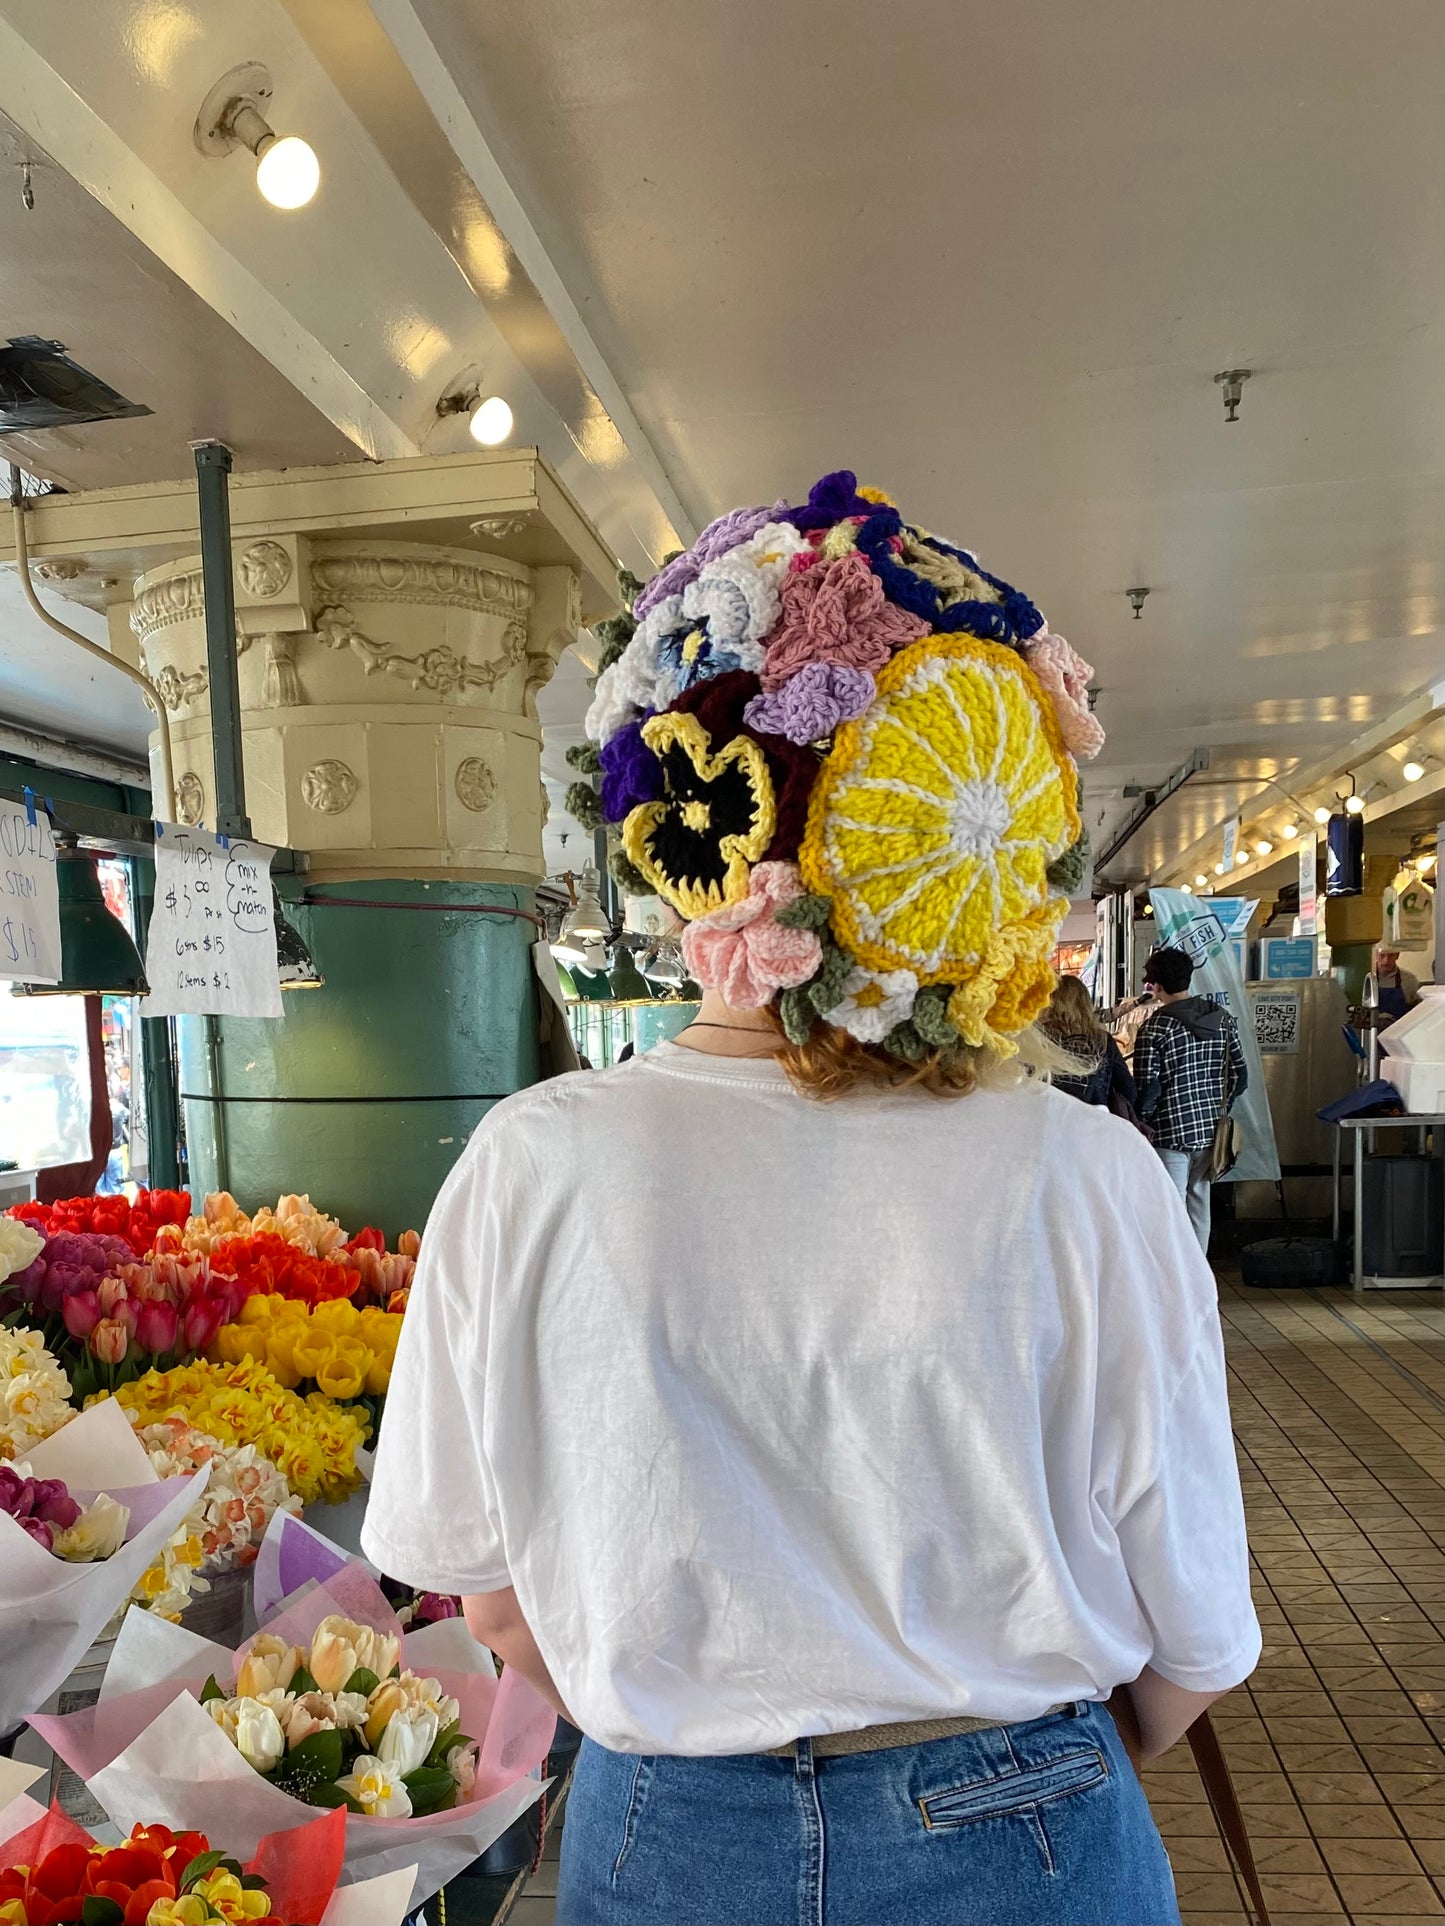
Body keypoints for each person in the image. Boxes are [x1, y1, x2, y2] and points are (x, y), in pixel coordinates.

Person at [365, 473, 1259, 1926]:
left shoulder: (528, 1163)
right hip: (1022, 1825)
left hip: (662, 1834)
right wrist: (1036, 1758)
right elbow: (1198, 1640)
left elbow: (486, 1598)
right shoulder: (1087, 1176)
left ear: (681, 840)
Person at [1132, 947, 1248, 1254]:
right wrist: (1218, 1107)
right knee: (1200, 1200)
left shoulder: (1155, 1027)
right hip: (1211, 1130)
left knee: (1170, 1206)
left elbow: (1147, 1087)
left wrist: (1143, 1118)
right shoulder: (1221, 1019)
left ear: (1156, 985)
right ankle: (1199, 1277)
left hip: (1169, 1132)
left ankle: (1175, 1280)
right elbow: (1240, 1075)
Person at [1040, 974, 1138, 1112]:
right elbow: (1129, 1091)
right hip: (1093, 1123)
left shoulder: (1038, 1041)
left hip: (1047, 1120)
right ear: (1085, 1003)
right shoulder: (1102, 1041)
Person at [1373, 946, 1421, 1023]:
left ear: (1397, 955)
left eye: (1391, 956)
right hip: (1372, 1031)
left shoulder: (1409, 980)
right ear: (1376, 955)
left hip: (1401, 1029)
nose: (1386, 961)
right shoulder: (1367, 978)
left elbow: (1416, 1011)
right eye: (1382, 955)